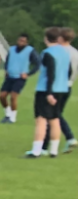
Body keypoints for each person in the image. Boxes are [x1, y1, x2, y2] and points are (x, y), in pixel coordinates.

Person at [26, 26, 72, 158]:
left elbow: (50, 73)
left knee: (41, 119)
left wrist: (49, 92)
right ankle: (53, 150)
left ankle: (36, 150)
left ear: (46, 38)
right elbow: (69, 72)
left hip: (46, 89)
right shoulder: (65, 52)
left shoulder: (47, 53)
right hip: (62, 89)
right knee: (55, 118)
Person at [0, 34, 36, 123]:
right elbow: (7, 60)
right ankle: (8, 114)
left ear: (26, 42)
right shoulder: (12, 49)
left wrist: (28, 74)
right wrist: (6, 69)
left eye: (23, 41)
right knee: (2, 96)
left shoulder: (30, 51)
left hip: (20, 78)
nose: (21, 42)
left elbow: (37, 64)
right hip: (10, 77)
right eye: (20, 40)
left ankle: (13, 118)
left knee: (13, 97)